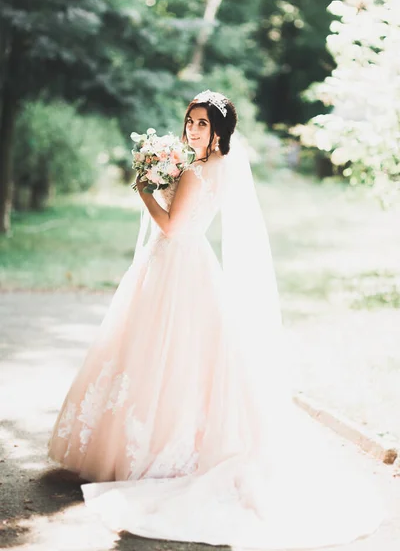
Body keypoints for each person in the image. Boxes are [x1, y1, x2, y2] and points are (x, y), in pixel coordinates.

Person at [48, 91, 384, 549]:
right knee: (169, 356)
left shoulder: (197, 170)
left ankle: (157, 450)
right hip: (187, 264)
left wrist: (145, 188)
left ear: (219, 131)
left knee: (166, 354)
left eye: (202, 124)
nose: (192, 129)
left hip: (176, 265)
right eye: (189, 121)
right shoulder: (213, 166)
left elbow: (171, 226)